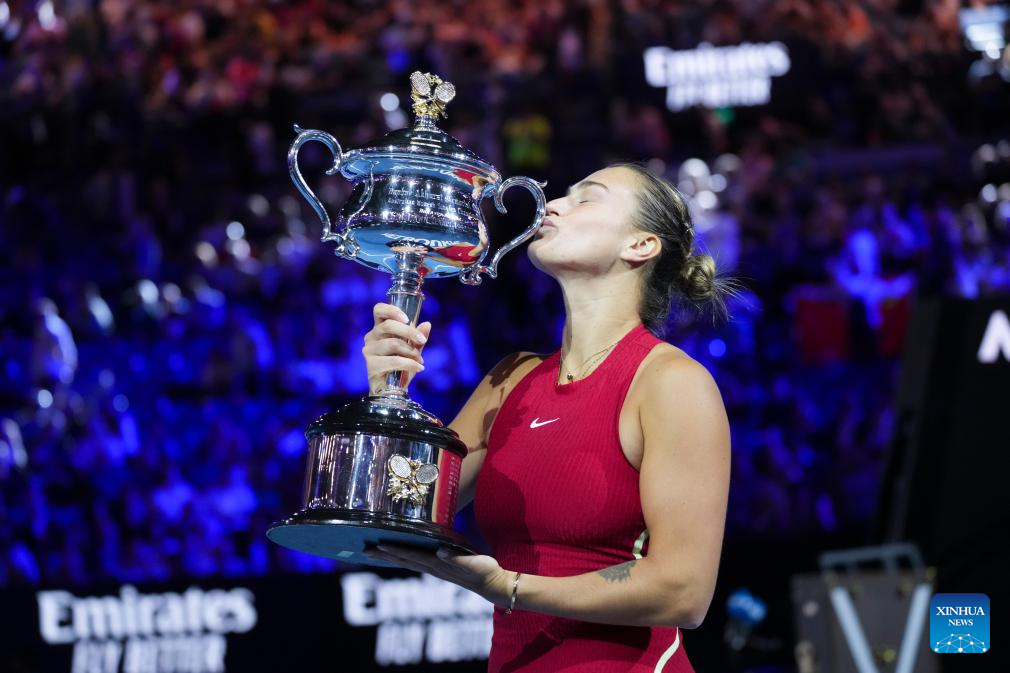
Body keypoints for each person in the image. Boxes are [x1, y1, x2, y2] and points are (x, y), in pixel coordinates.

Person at [363, 163, 734, 672]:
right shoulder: (511, 379)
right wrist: (387, 394)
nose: (552, 204)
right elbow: (393, 515)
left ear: (641, 246)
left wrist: (509, 588)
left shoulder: (670, 383)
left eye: (587, 198)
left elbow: (683, 591)